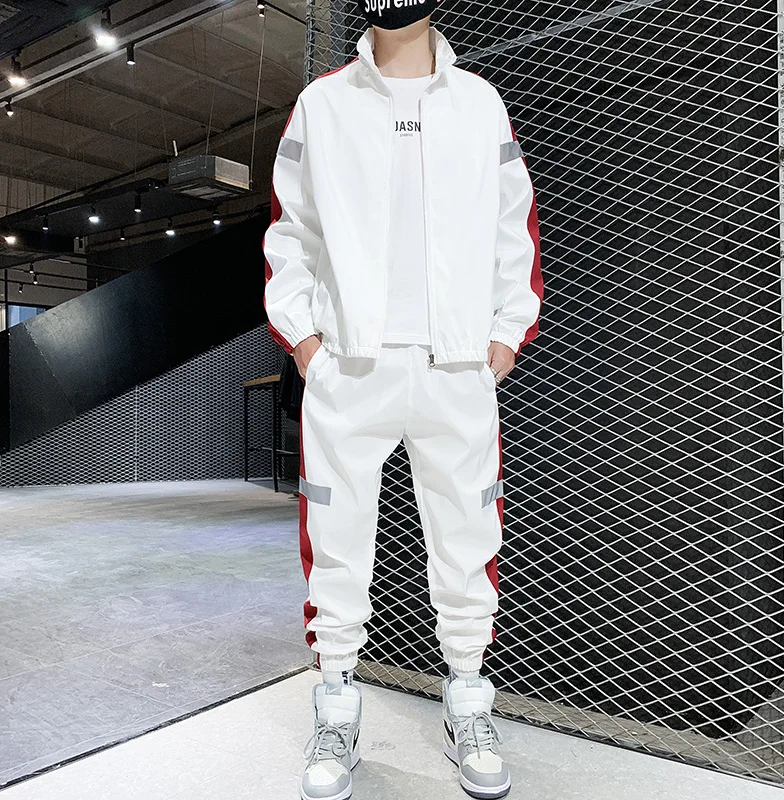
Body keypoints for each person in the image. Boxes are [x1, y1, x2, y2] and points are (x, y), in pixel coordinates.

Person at [263, 1, 543, 798]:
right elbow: (289, 231)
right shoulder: (322, 103)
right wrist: (307, 344)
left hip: (456, 366)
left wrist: (505, 334)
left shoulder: (479, 102)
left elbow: (513, 224)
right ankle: (336, 704)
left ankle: (468, 702)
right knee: (336, 535)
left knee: (467, 534)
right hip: (350, 366)